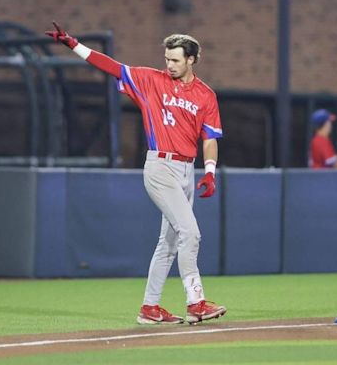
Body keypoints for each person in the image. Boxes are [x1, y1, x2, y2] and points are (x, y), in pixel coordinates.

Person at [46, 22, 226, 324]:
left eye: (176, 60)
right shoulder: (151, 80)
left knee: (168, 244)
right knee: (190, 233)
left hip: (186, 170)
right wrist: (73, 44)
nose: (169, 65)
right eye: (167, 58)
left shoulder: (206, 95)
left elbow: (209, 138)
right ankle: (196, 302)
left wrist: (210, 171)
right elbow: (111, 67)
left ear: (192, 59)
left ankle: (149, 308)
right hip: (160, 167)